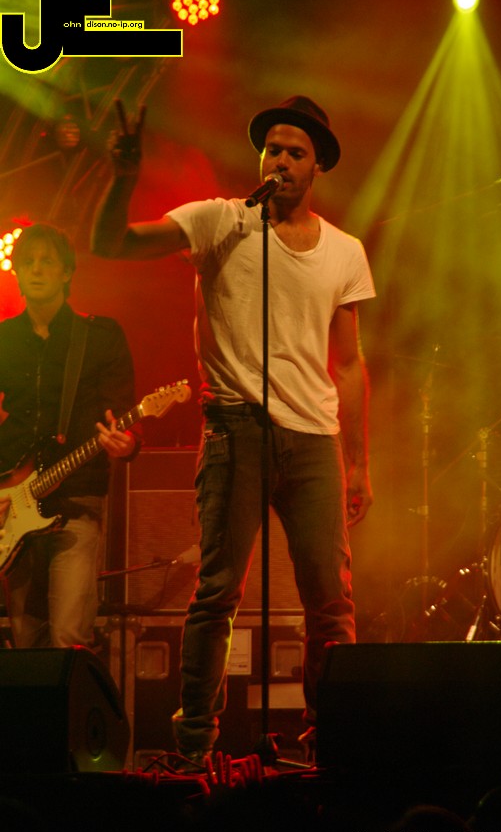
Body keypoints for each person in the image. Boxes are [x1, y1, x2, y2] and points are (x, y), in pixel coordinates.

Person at [91, 94, 375, 762]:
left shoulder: (345, 251)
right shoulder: (220, 221)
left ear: (317, 167)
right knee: (217, 592)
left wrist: (359, 462)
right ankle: (196, 744)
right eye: (272, 149)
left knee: (330, 602)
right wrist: (123, 177)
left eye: (295, 153)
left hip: (314, 440)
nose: (280, 161)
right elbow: (111, 243)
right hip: (235, 428)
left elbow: (350, 363)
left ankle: (331, 741)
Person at [0, 223, 139, 649]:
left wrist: (127, 443)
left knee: (68, 637)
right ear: (16, 272)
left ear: (66, 272)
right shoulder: (4, 338)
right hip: (12, 505)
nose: (36, 269)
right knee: (24, 639)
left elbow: (122, 419)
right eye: (28, 262)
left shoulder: (99, 336)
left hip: (76, 499)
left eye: (47, 261)